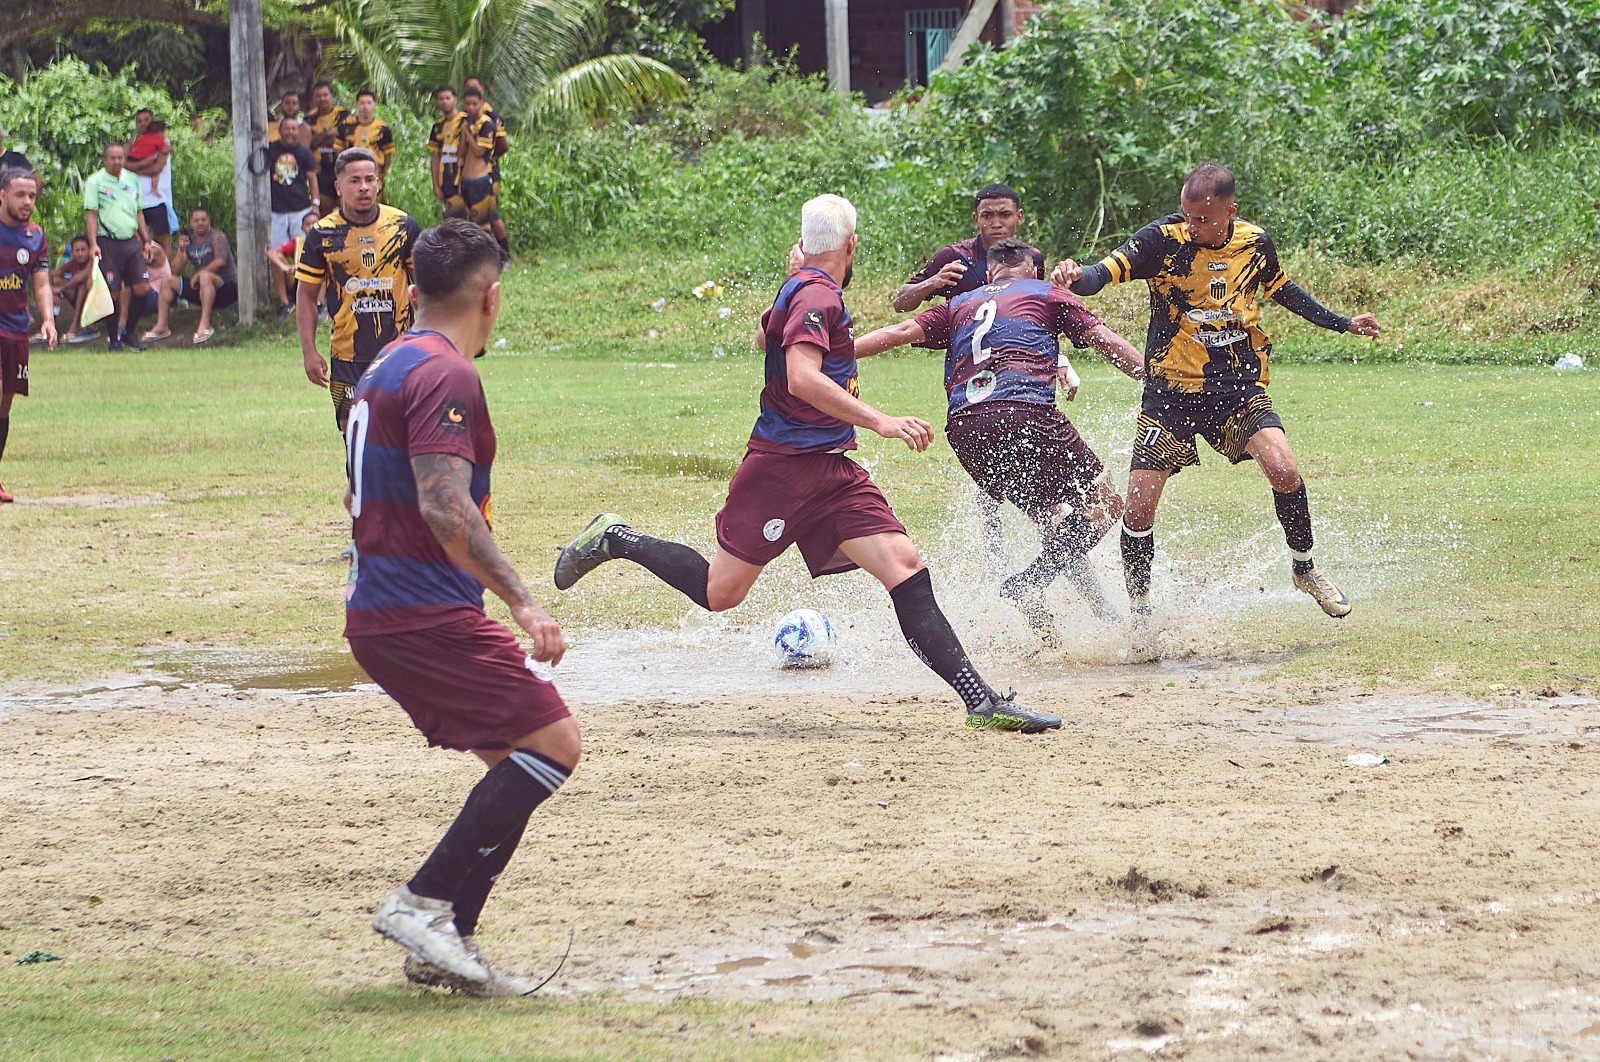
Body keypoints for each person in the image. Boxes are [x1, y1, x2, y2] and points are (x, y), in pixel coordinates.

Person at [553, 195, 1060, 734]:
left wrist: (792, 282)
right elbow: (801, 378)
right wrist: (881, 421)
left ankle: (980, 702)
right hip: (782, 469)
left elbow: (762, 337)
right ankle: (616, 537)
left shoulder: (804, 286)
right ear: (850, 244)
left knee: (904, 566)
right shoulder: (818, 293)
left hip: (832, 470)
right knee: (720, 593)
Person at [343, 218, 571, 996]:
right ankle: (425, 904)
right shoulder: (446, 374)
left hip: (387, 605)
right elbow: (445, 507)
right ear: (492, 297)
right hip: (421, 609)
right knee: (555, 744)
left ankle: (443, 942)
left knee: (519, 762)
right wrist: (524, 603)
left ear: (414, 291)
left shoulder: (386, 364)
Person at [1053, 162, 1382, 655]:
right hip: (1169, 393)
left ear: (1230, 211)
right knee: (1139, 507)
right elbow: (1103, 274)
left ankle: (1305, 568)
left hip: (1237, 387)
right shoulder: (1161, 240)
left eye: (1203, 219)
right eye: (1187, 215)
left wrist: (1341, 323)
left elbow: (1283, 291)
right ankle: (1141, 618)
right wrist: (1076, 275)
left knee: (1284, 467)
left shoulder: (1254, 243)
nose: (1193, 226)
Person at [852, 237, 1147, 635]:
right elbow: (1106, 342)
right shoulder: (1048, 292)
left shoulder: (961, 302)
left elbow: (902, 329)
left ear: (989, 274)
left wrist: (837, 353)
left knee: (1050, 518)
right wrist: (1157, 382)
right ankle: (1031, 585)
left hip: (966, 428)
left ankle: (1048, 631)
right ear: (1033, 270)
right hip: (1026, 413)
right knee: (1108, 503)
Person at [296, 147, 420, 434]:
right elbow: (305, 295)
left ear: (379, 183)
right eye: (354, 181)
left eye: (369, 179)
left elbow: (424, 287)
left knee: (402, 434)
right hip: (348, 357)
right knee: (354, 436)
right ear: (339, 187)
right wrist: (309, 351)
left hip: (399, 353)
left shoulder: (403, 227)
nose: (363, 187)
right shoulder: (323, 235)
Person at [893, 183, 1043, 313]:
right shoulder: (955, 257)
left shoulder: (1032, 257)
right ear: (976, 219)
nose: (996, 223)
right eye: (987, 216)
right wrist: (933, 281)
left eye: (1005, 215)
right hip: (965, 344)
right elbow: (900, 304)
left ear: (1019, 217)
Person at [0, 167, 55, 503]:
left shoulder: (35, 236)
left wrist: (47, 319)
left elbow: (42, 282)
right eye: (20, 194)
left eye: (32, 195)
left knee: (5, 402)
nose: (27, 202)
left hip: (17, 328)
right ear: (2, 194)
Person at [82, 142, 153, 352]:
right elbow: (92, 215)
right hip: (108, 242)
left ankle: (129, 332)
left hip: (130, 241)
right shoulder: (95, 182)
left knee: (142, 289)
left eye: (120, 158)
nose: (116, 162)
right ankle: (113, 340)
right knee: (112, 293)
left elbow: (139, 212)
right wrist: (93, 243)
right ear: (105, 160)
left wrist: (146, 239)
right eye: (112, 158)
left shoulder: (132, 180)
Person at [144, 206, 238, 345]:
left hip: (226, 288)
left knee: (205, 276)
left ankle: (205, 324)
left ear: (209, 221)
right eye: (196, 220)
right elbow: (173, 271)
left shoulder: (217, 237)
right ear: (191, 224)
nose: (200, 223)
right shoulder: (190, 241)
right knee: (168, 281)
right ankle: (162, 326)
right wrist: (181, 252)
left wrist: (199, 273)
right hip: (202, 288)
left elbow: (221, 260)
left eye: (203, 220)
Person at [462, 76, 510, 256]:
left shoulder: (491, 117)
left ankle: (500, 254)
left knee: (489, 215)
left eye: (475, 87)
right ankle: (495, 255)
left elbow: (503, 145)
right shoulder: (466, 118)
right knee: (481, 216)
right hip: (469, 177)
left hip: (488, 174)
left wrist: (488, 157)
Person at [126, 109, 176, 258]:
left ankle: (168, 275)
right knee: (138, 238)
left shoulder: (162, 141)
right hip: (137, 199)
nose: (143, 124)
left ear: (152, 121)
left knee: (163, 238)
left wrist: (134, 168)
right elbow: (121, 163)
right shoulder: (136, 143)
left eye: (146, 120)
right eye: (139, 121)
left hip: (157, 199)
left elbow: (157, 167)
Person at [266, 117, 318, 250]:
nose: (290, 132)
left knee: (302, 249)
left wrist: (315, 204)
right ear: (280, 131)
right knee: (277, 250)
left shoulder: (305, 153)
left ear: (298, 132)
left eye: (293, 129)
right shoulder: (269, 149)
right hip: (275, 211)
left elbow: (312, 180)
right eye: (286, 129)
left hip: (300, 210)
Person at [457, 88, 500, 236]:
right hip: (466, 179)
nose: (470, 108)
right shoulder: (466, 123)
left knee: (484, 223)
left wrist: (467, 133)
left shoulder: (487, 125)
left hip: (480, 180)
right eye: (467, 104)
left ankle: (497, 255)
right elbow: (461, 152)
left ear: (481, 103)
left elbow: (479, 151)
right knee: (473, 221)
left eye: (474, 104)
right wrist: (464, 133)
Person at [306, 82, 352, 218]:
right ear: (314, 99)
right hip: (319, 171)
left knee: (347, 209)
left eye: (325, 95)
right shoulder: (309, 119)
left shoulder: (343, 115)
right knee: (323, 212)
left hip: (341, 167)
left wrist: (317, 138)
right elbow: (307, 142)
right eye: (318, 96)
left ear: (331, 96)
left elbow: (344, 137)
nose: (322, 99)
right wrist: (327, 135)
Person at [335, 90, 395, 185]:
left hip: (374, 176)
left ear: (374, 104)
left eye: (369, 103)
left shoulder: (383, 129)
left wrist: (383, 174)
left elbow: (388, 156)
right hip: (352, 175)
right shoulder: (345, 127)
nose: (365, 107)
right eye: (362, 103)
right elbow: (339, 152)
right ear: (357, 104)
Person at [266, 209, 317, 316]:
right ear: (302, 228)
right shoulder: (298, 242)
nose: (312, 227)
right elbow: (270, 252)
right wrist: (285, 267)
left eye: (315, 224)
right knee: (277, 257)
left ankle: (320, 304)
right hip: (299, 281)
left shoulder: (326, 241)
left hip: (317, 282)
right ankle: (285, 303)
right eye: (308, 224)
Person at [428, 86, 466, 221]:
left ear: (455, 100)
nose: (445, 102)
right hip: (446, 179)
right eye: (441, 99)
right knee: (449, 220)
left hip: (463, 178)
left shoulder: (465, 121)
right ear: (438, 102)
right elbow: (435, 156)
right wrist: (436, 185)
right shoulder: (438, 126)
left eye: (448, 98)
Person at [52, 235, 97, 342]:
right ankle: (51, 322)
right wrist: (53, 291)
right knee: (56, 281)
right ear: (72, 252)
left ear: (89, 250)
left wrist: (60, 289)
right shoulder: (72, 264)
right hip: (78, 299)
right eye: (77, 250)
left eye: (83, 250)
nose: (80, 253)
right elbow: (51, 274)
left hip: (97, 303)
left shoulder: (93, 261)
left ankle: (77, 324)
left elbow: (81, 277)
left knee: (82, 284)